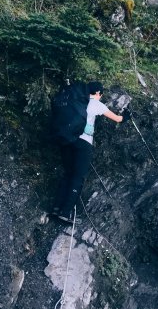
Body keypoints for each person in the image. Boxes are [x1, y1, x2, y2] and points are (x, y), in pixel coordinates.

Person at [52, 81, 129, 223]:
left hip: (68, 139)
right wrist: (127, 116)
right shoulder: (96, 104)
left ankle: (56, 208)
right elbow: (118, 119)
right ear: (98, 93)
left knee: (68, 174)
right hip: (83, 144)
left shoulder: (76, 101)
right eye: (101, 94)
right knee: (78, 176)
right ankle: (66, 212)